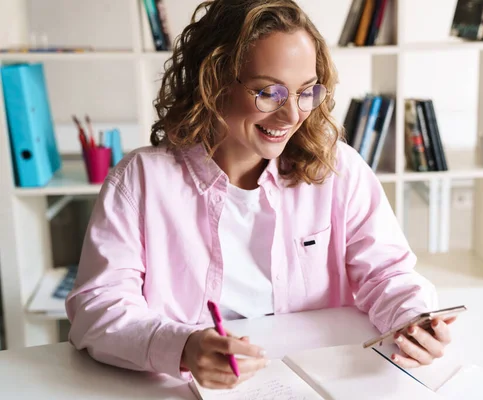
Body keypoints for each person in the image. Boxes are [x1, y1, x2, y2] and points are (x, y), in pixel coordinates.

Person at [66, 0, 455, 391]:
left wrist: (414, 318)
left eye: (307, 92)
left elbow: (387, 272)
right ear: (213, 81)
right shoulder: (141, 181)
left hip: (323, 383)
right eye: (269, 92)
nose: (291, 116)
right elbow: (97, 308)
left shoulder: (337, 170)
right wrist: (182, 347)